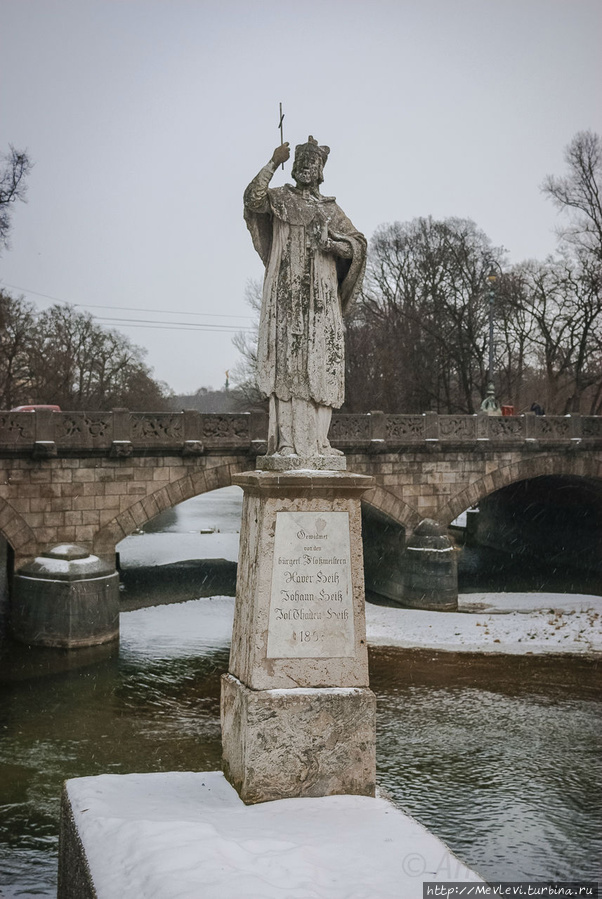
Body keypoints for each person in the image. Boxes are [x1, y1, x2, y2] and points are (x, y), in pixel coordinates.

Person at [244, 136, 367, 457]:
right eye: (299, 162)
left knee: (322, 364)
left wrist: (333, 245)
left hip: (322, 300)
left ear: (320, 170)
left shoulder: (329, 209)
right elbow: (252, 198)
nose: (304, 168)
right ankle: (287, 443)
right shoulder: (280, 198)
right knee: (287, 366)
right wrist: (272, 161)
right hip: (286, 293)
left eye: (311, 163)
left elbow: (357, 245)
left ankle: (318, 443)